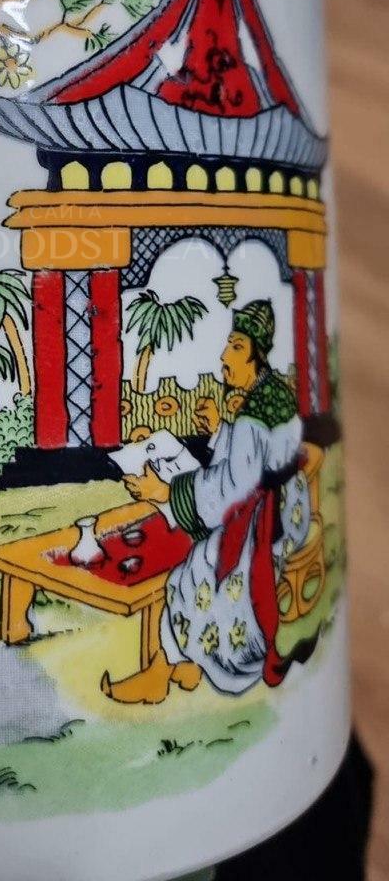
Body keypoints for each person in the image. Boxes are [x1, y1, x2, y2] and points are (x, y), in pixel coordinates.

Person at [103, 300, 314, 703]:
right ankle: (185, 667)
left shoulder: (253, 414)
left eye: (235, 347)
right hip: (290, 509)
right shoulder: (271, 394)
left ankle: (160, 674)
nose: (223, 357)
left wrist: (167, 491)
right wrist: (220, 430)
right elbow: (256, 460)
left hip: (263, 524)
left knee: (193, 573)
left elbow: (233, 489)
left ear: (255, 354)